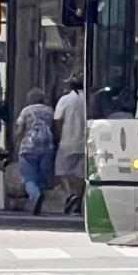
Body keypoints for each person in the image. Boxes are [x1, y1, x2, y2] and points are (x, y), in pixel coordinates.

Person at [15, 88, 54, 215]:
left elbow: (20, 130)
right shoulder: (49, 111)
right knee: (41, 175)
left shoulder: (26, 111)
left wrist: (17, 141)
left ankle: (36, 195)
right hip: (47, 147)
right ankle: (38, 197)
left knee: (27, 177)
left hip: (28, 147)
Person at [52, 76, 86, 215]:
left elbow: (58, 120)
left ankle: (70, 195)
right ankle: (77, 198)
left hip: (68, 142)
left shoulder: (65, 99)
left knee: (61, 172)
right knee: (82, 174)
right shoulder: (89, 99)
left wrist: (57, 136)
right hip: (85, 143)